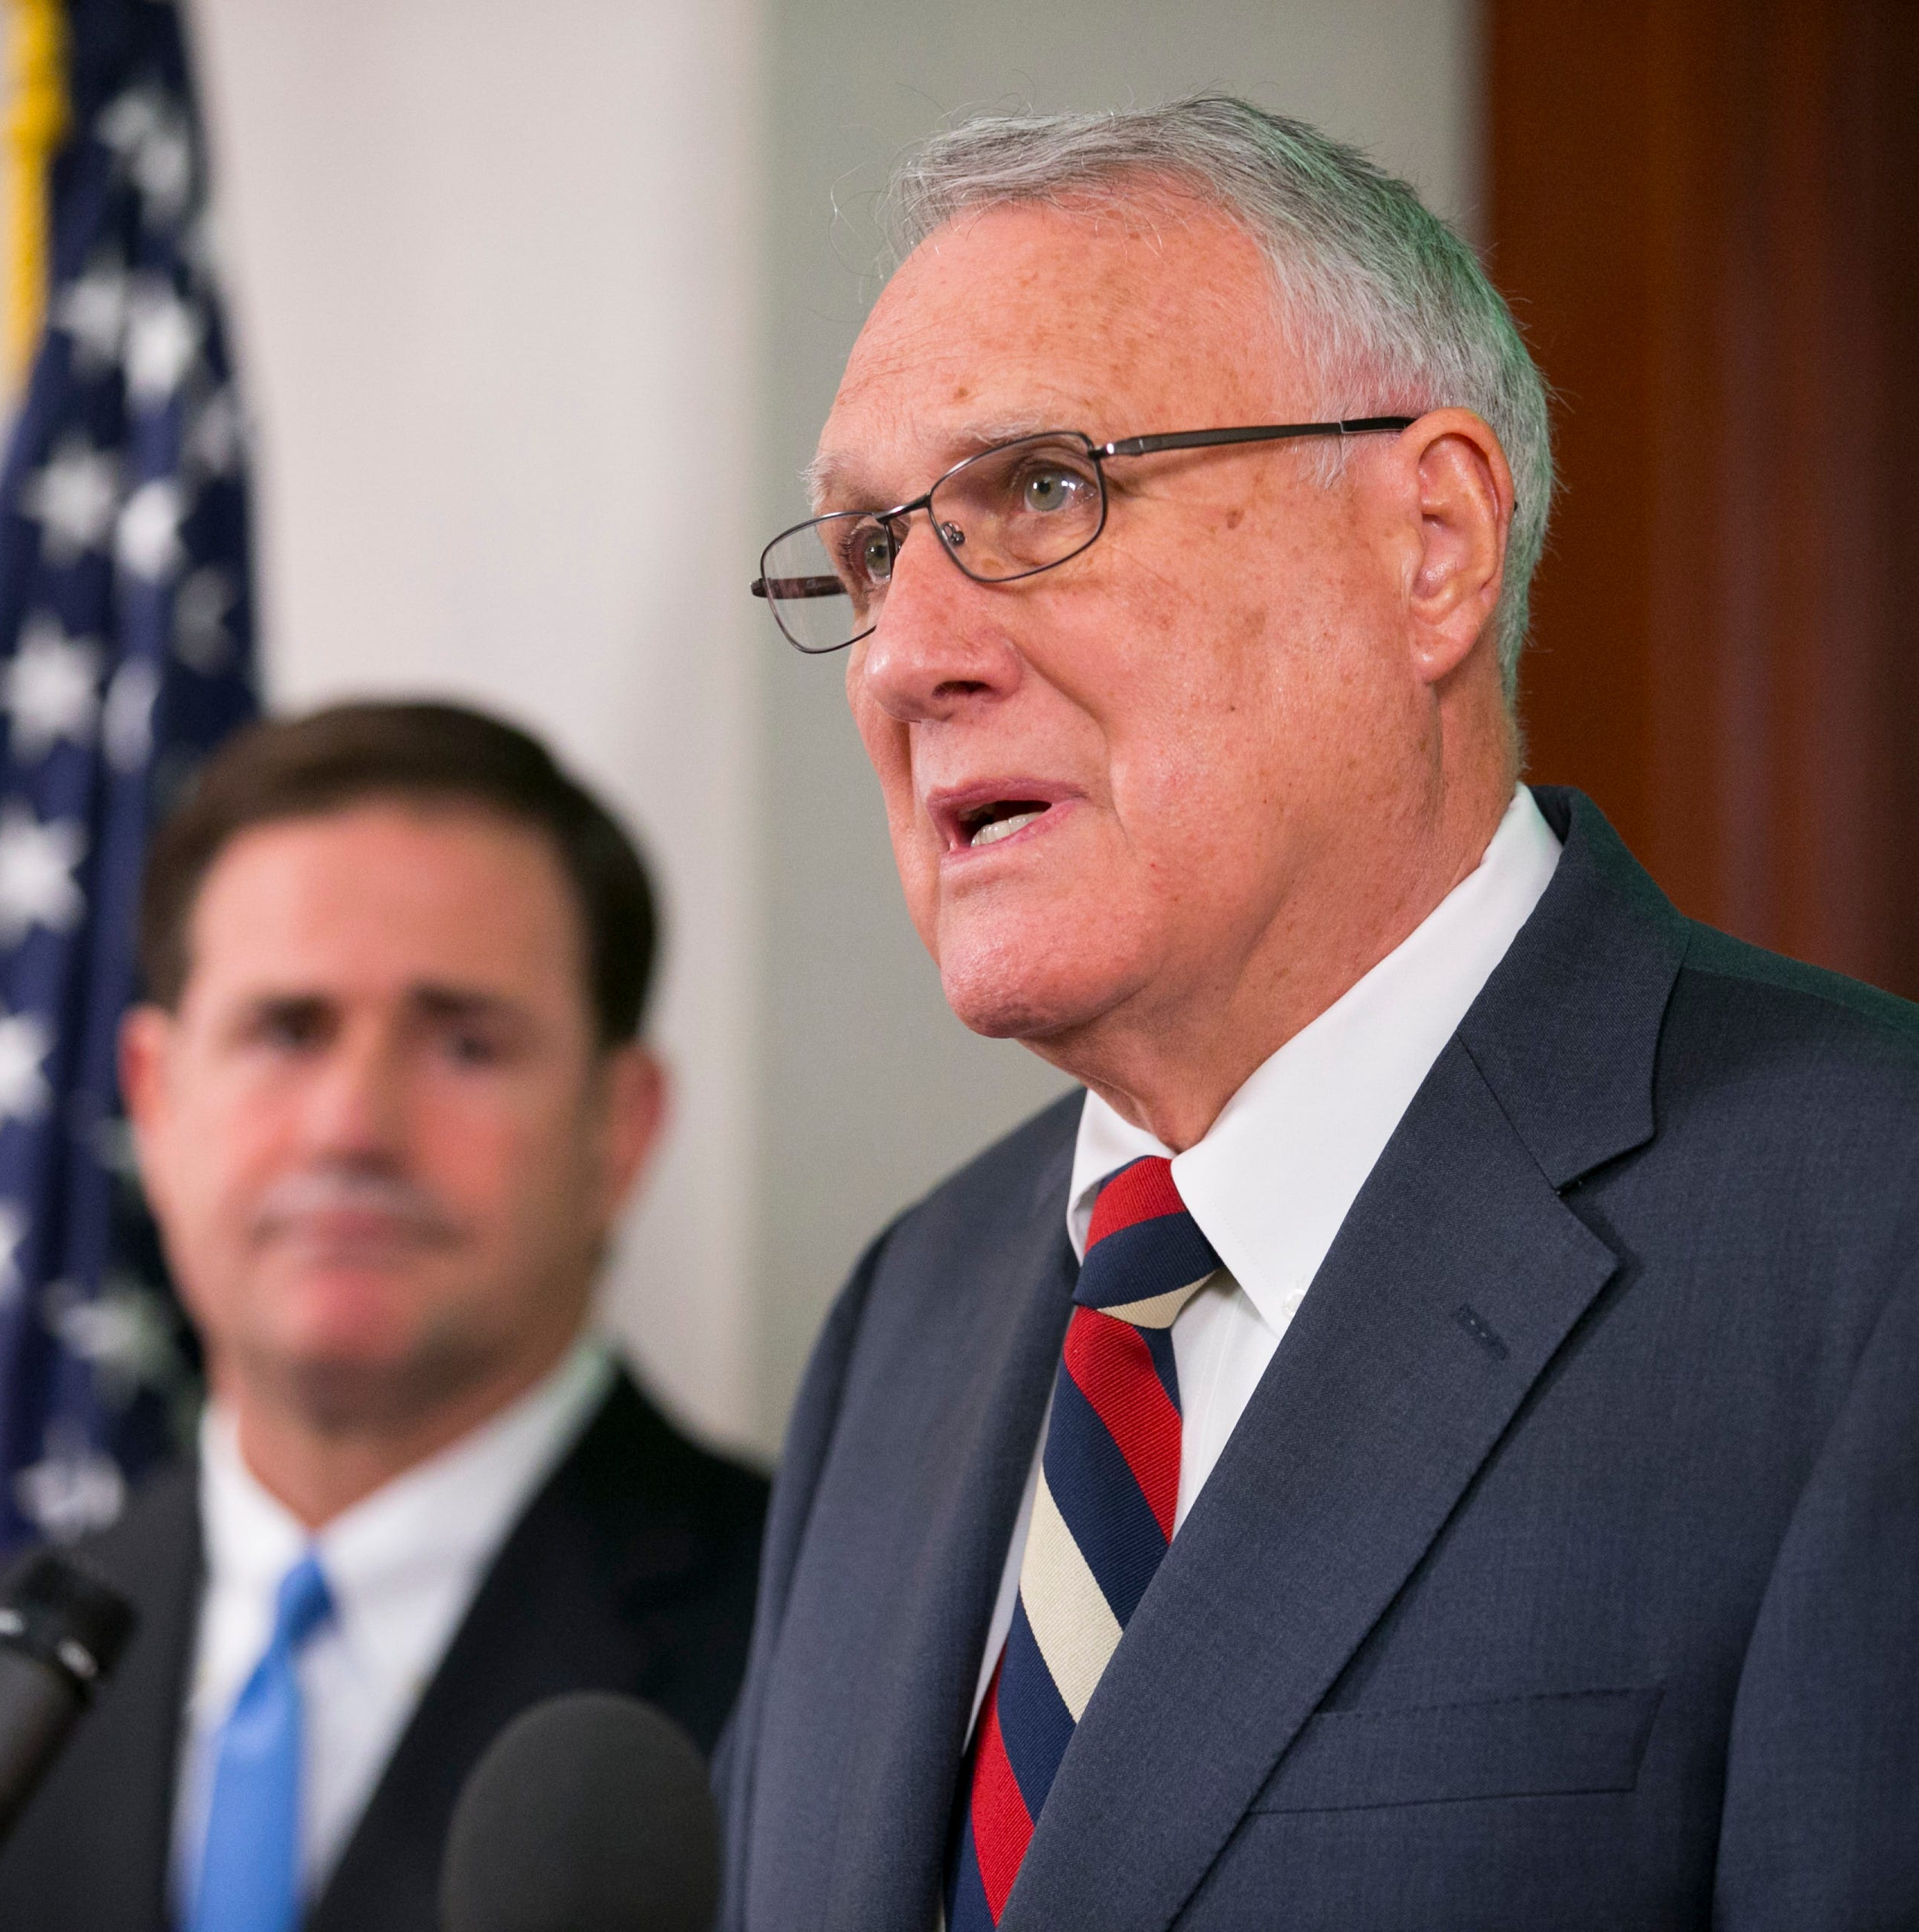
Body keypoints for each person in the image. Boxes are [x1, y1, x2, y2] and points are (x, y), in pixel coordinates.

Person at [719, 96, 1919, 1932]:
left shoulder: (1868, 1236)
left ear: (1427, 542)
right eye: (874, 550)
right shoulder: (910, 1311)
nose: (902, 655)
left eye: (1039, 491)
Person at [0, 700, 767, 1932]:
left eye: (463, 1044)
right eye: (286, 1030)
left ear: (621, 1127)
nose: (352, 1126)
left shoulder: (820, 1635)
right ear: (156, 1099)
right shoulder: (1, 1671)